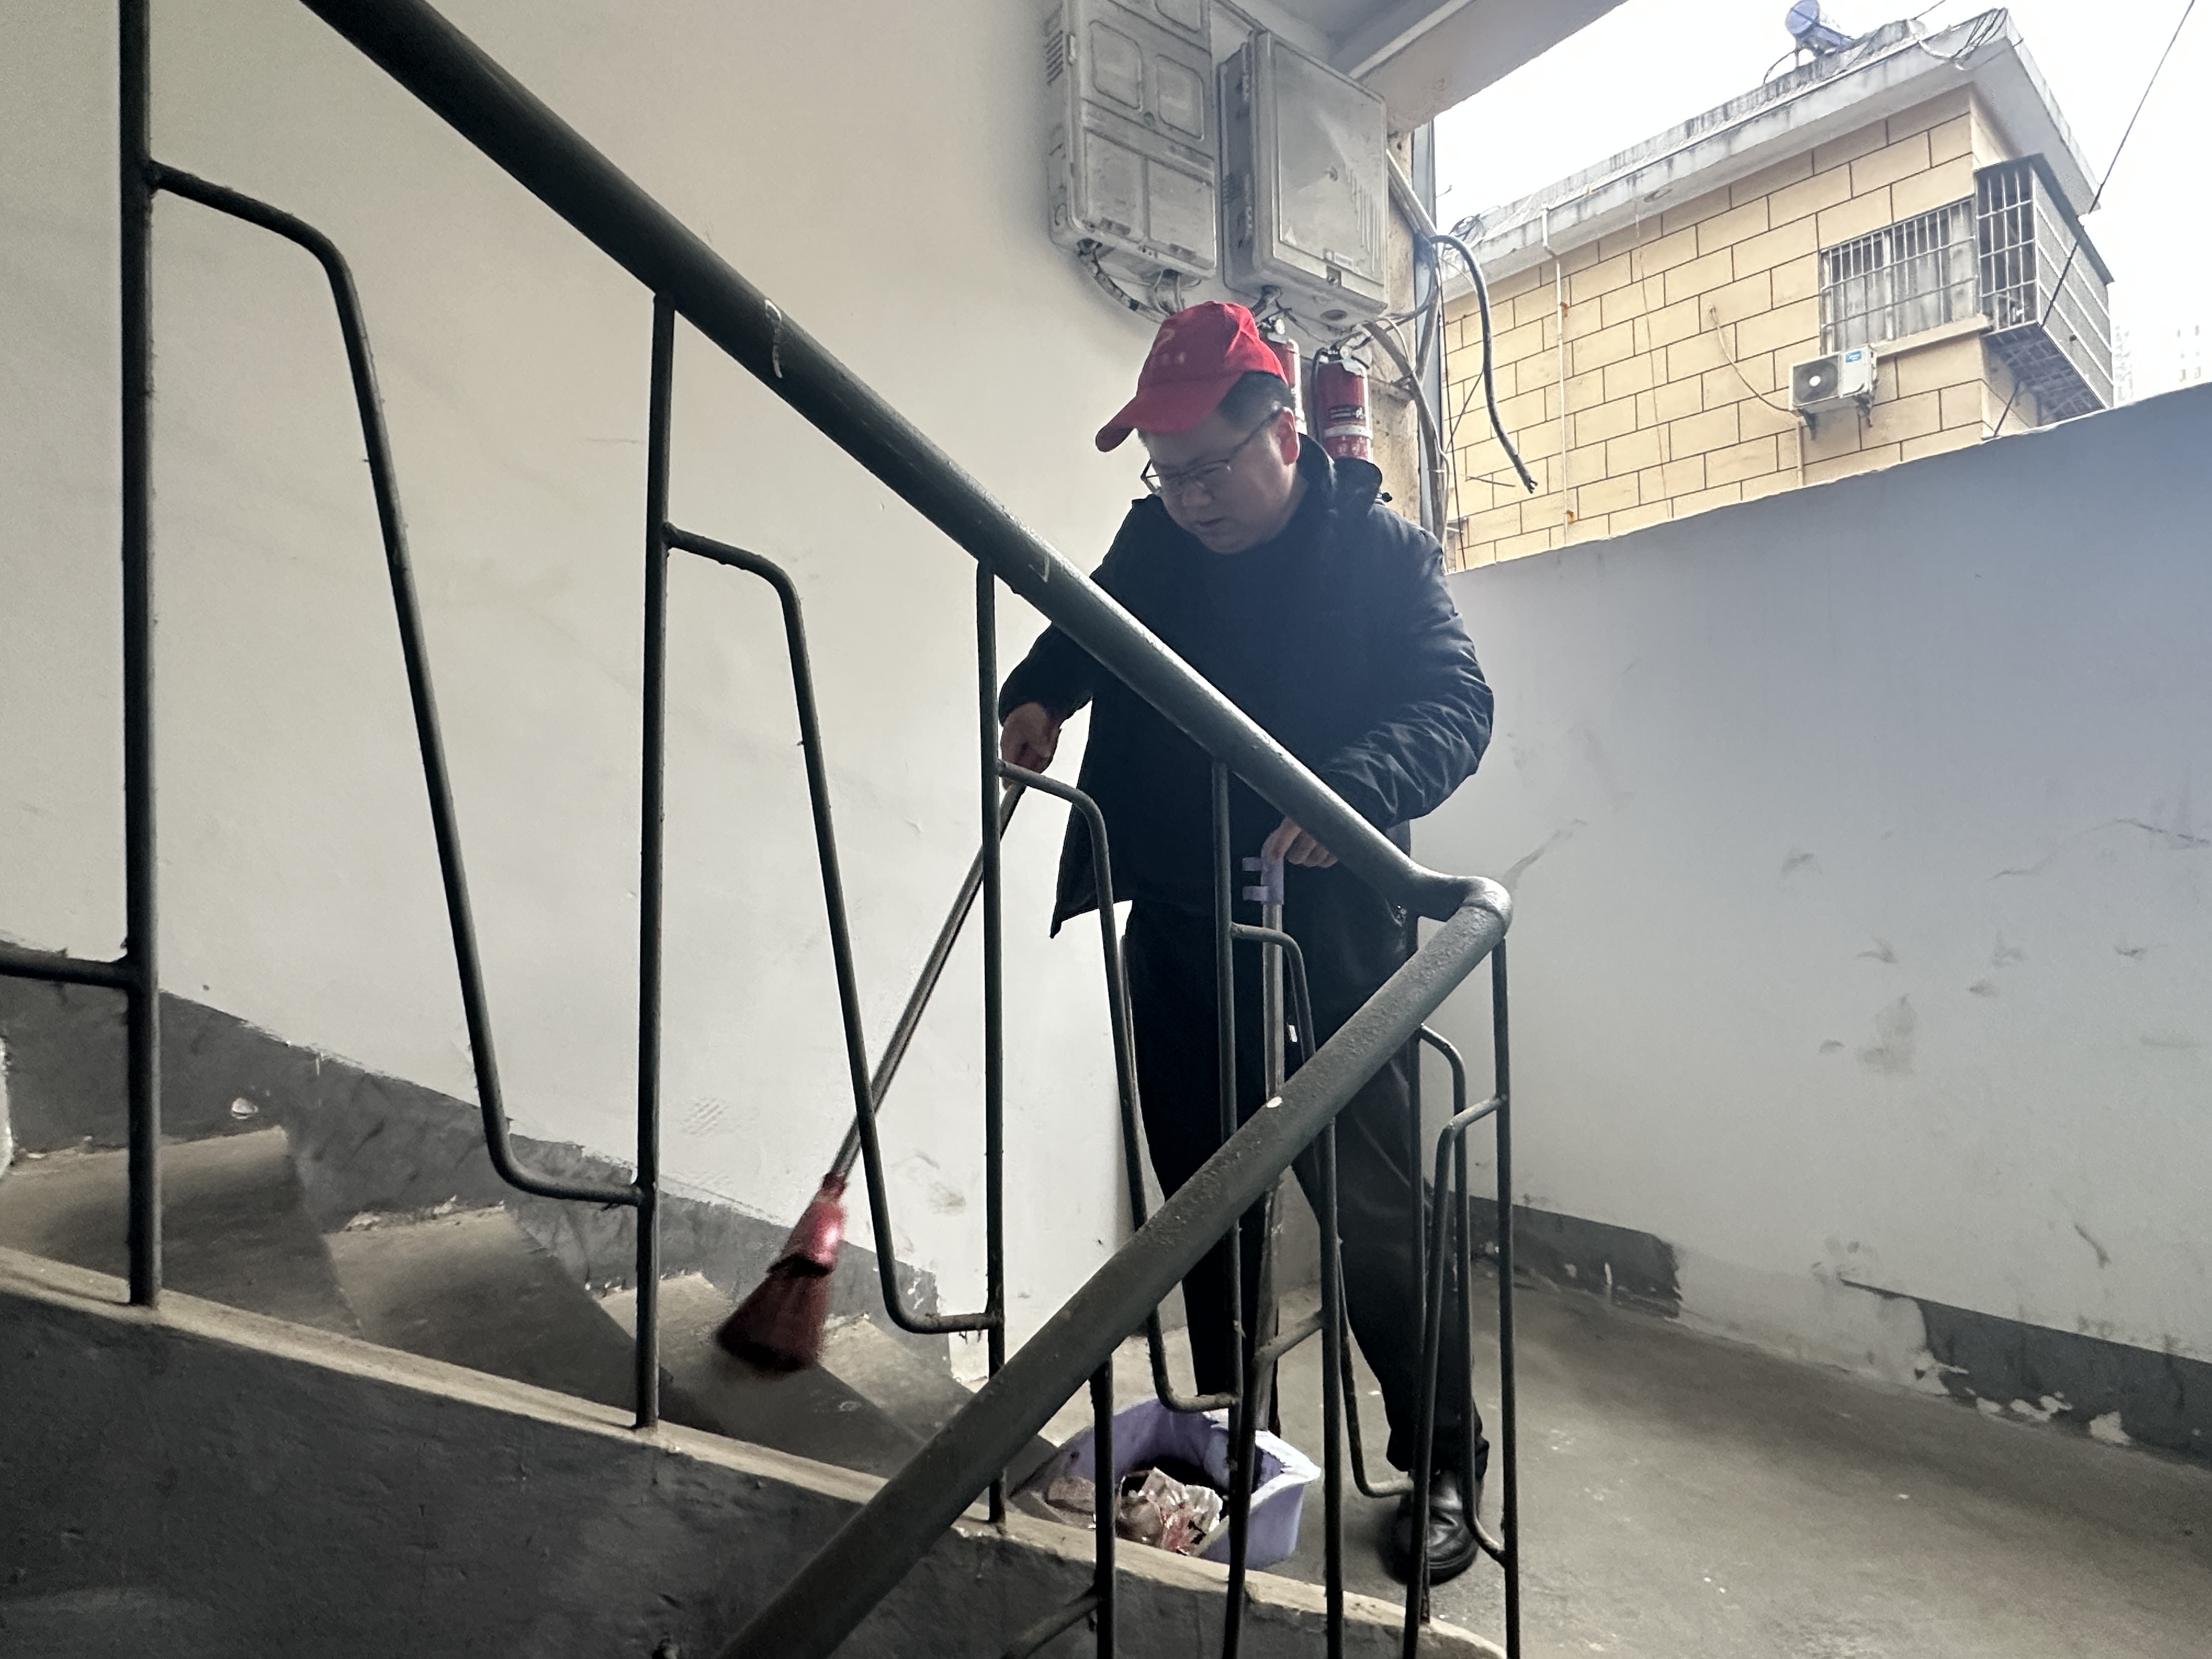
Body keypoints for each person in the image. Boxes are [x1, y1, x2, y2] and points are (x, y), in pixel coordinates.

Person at [997, 301, 1496, 1581]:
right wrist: (1040, 695)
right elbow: (1092, 625)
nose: (1188, 498)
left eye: (1209, 468)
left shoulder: (1381, 554)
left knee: (1374, 1203)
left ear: (1281, 429)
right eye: (1166, 475)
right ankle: (1228, 1438)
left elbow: (1457, 701)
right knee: (1205, 1199)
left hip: (1333, 930)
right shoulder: (1159, 536)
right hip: (1182, 911)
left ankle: (1443, 1460)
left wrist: (1352, 790)